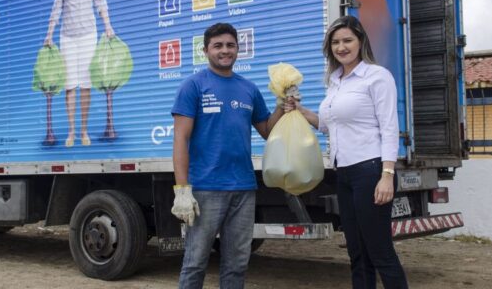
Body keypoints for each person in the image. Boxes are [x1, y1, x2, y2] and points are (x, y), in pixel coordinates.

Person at [287, 15, 408, 289]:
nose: (341, 47)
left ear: (361, 41)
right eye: (335, 42)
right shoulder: (335, 81)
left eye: (347, 40)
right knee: (357, 253)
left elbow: (389, 128)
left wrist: (387, 175)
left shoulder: (377, 76)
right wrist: (300, 112)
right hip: (345, 173)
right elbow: (329, 126)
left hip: (371, 170)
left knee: (380, 252)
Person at [171, 22, 284, 289]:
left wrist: (282, 106)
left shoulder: (249, 89)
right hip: (206, 189)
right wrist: (182, 190)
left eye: (230, 45)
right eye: (218, 45)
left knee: (237, 264)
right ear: (205, 50)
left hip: (244, 188)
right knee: (195, 262)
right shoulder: (194, 86)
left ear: (238, 49)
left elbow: (267, 130)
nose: (225, 51)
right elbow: (180, 139)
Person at [44, 0, 114, 147]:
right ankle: (72, 132)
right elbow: (56, 8)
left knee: (85, 85)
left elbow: (100, 0)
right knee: (70, 86)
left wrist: (108, 26)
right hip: (67, 37)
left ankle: (83, 131)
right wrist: (49, 34)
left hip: (87, 35)